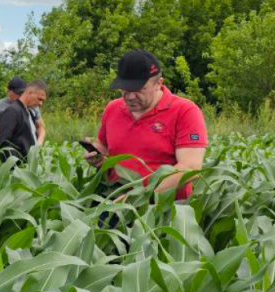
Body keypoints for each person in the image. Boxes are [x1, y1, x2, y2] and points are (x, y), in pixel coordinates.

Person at [84, 49, 207, 200]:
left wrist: (141, 196)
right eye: (125, 89)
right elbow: (104, 147)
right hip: (115, 200)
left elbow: (190, 167)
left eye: (139, 89)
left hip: (164, 207)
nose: (130, 96)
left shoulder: (185, 111)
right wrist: (95, 155)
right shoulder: (112, 108)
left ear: (158, 84)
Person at [0, 80, 49, 162]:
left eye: (43, 101)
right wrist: (16, 166)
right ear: (30, 93)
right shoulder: (12, 111)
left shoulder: (29, 111)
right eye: (39, 99)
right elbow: (3, 144)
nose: (41, 103)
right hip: (18, 169)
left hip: (28, 167)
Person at [0, 77, 46, 146]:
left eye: (23, 92)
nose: (21, 96)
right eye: (18, 93)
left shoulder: (32, 105)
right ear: (9, 92)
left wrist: (39, 144)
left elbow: (41, 127)